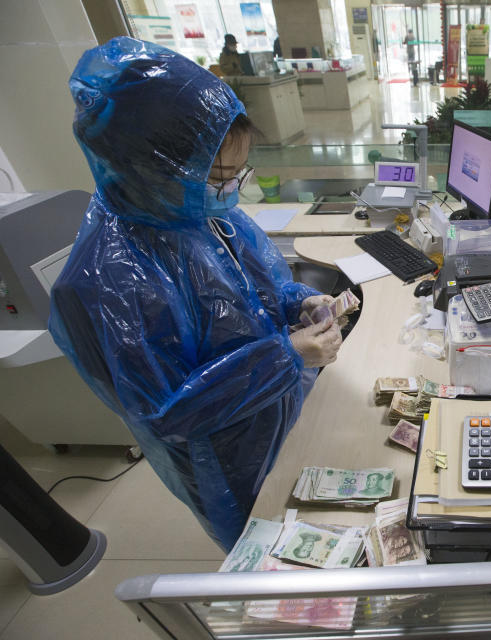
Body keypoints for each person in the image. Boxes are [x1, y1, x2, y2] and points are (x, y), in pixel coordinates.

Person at [49, 37, 343, 551]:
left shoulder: (200, 211)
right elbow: (166, 411)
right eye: (222, 176)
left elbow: (259, 289)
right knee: (271, 556)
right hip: (227, 459)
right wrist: (287, 355)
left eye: (237, 174)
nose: (231, 190)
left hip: (283, 406)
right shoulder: (108, 276)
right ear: (153, 165)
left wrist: (300, 302)